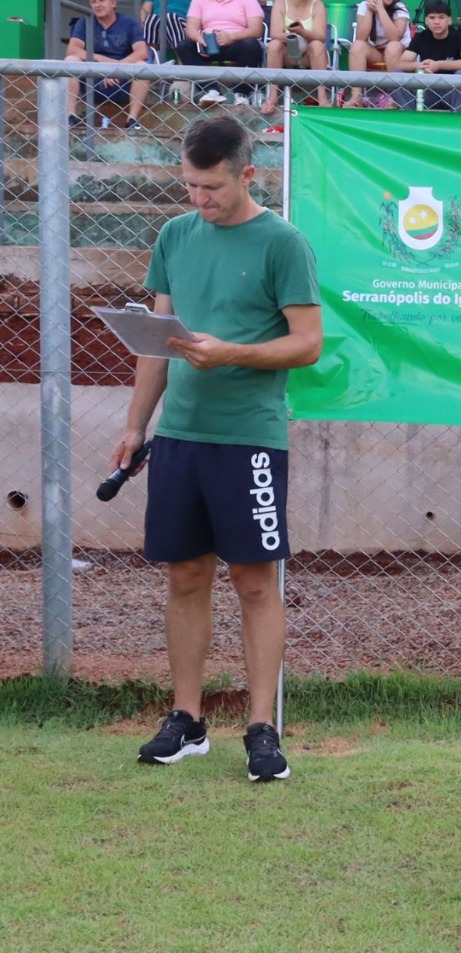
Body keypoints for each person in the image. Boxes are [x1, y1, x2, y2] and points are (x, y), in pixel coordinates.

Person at [120, 115, 322, 780]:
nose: (199, 200)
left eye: (211, 188)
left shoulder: (283, 242)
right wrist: (134, 425)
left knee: (255, 583)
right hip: (179, 436)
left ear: (247, 175)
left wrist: (231, 353)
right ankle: (187, 721)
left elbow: (307, 342)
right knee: (184, 576)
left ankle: (262, 728)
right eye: (189, 186)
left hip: (248, 438)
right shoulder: (176, 234)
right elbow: (158, 341)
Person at [66, 0, 151, 131]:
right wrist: (104, 62)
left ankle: (131, 120)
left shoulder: (130, 23)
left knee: (142, 65)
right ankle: (70, 116)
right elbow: (72, 50)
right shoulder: (84, 22)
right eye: (93, 2)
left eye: (102, 0)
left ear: (113, 3)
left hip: (122, 81)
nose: (97, 5)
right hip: (92, 81)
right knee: (71, 60)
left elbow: (142, 52)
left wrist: (116, 69)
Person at [176, 0, 265, 106]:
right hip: (208, 43)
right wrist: (200, 40)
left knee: (251, 44)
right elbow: (191, 28)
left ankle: (241, 93)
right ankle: (211, 90)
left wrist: (231, 37)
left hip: (237, 42)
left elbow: (256, 30)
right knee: (184, 46)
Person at [399, 0, 461, 112]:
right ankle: (410, 117)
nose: (436, 22)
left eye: (441, 17)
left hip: (453, 91)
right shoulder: (421, 37)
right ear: (426, 20)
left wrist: (438, 65)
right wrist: (420, 65)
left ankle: (459, 120)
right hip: (426, 90)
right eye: (432, 18)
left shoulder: (459, 36)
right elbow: (401, 63)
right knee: (397, 73)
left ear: (449, 20)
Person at [261, 0, 330, 115]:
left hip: (308, 55)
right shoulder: (281, 3)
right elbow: (274, 34)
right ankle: (273, 96)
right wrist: (291, 35)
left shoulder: (317, 5)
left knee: (317, 45)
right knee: (274, 45)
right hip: (288, 53)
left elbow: (321, 37)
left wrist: (303, 32)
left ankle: (322, 97)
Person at [345, 0, 411, 107]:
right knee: (357, 46)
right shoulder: (364, 6)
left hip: (400, 55)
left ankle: (394, 97)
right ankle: (356, 98)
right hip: (378, 53)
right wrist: (370, 12)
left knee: (393, 46)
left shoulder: (400, 7)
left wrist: (381, 9)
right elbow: (361, 37)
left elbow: (395, 37)